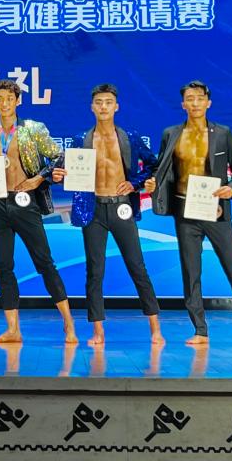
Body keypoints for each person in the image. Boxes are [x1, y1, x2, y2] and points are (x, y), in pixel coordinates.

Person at [146, 80, 232, 346]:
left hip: (215, 210)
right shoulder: (171, 134)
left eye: (199, 98)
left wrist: (231, 188)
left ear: (208, 102)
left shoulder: (222, 133)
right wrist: (153, 183)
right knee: (191, 273)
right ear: (183, 104)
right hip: (184, 210)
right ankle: (200, 330)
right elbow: (161, 169)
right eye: (190, 99)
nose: (195, 103)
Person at [0, 79, 77, 344]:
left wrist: (38, 179)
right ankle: (13, 330)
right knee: (3, 266)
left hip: (26, 202)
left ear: (18, 101)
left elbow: (59, 156)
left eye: (9, 99)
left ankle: (69, 323)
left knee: (44, 262)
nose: (4, 104)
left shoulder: (33, 129)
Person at [52, 84, 163, 346]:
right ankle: (98, 331)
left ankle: (156, 328)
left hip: (121, 207)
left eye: (108, 102)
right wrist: (59, 176)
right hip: (93, 209)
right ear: (92, 107)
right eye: (99, 102)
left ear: (116, 107)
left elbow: (154, 165)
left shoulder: (129, 137)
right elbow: (66, 173)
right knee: (94, 270)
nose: (103, 106)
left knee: (137, 267)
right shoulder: (80, 139)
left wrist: (135, 183)